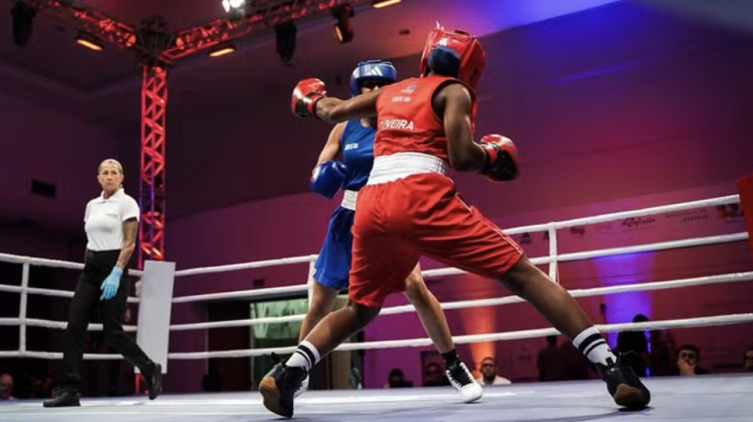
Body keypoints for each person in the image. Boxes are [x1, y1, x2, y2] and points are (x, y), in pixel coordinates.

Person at [260, 25, 650, 418]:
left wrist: (310, 100)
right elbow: (462, 156)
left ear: (426, 57)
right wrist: (493, 156)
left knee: (361, 309)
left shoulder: (391, 92)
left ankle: (288, 373)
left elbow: (330, 110)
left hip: (371, 204)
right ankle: (612, 367)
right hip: (422, 195)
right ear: (470, 69)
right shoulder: (454, 91)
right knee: (524, 275)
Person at [283, 60, 480, 402]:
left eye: (381, 85)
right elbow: (319, 169)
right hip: (348, 217)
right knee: (320, 301)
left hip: (386, 214)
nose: (374, 91)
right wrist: (324, 174)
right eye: (368, 85)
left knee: (415, 286)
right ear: (357, 90)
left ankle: (453, 365)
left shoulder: (401, 124)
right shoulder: (343, 128)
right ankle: (296, 372)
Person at [44, 159, 162, 408]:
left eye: (114, 172)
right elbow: (91, 240)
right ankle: (70, 390)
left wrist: (117, 271)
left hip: (114, 264)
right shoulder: (92, 206)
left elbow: (129, 242)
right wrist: (90, 266)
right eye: (105, 172)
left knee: (113, 332)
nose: (109, 176)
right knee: (75, 326)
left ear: (121, 178)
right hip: (91, 269)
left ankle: (149, 368)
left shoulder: (127, 202)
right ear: (98, 177)